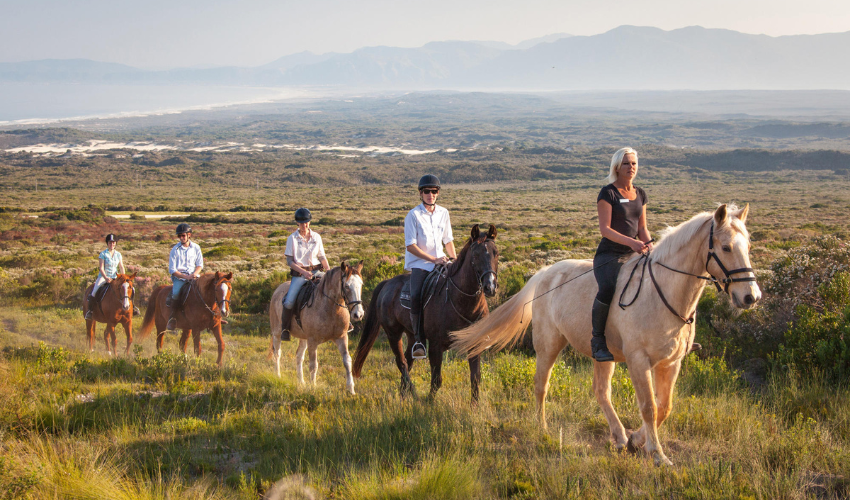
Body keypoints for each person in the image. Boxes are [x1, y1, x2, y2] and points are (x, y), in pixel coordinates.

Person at [591, 147, 652, 362]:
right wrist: (632, 243)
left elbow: (642, 228)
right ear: (617, 167)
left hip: (635, 252)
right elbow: (605, 230)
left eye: (634, 163)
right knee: (608, 288)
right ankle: (598, 340)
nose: (631, 167)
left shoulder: (640, 193)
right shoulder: (608, 193)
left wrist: (650, 247)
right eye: (626, 163)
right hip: (610, 255)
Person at [404, 174, 457, 359]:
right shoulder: (413, 215)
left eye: (434, 191)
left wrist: (454, 259)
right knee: (416, 296)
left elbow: (448, 240)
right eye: (427, 191)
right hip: (421, 264)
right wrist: (433, 260)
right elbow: (411, 246)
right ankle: (418, 340)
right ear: (420, 193)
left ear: (438, 193)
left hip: (442, 261)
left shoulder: (444, 213)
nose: (430, 194)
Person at [280, 208, 330, 341]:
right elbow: (290, 261)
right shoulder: (292, 238)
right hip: (300, 275)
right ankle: (285, 329)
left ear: (310, 222)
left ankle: (343, 323)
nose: (304, 225)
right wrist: (304, 272)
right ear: (297, 223)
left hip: (317, 271)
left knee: (335, 288)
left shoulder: (317, 237)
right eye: (302, 223)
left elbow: (322, 256)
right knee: (289, 302)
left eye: (306, 222)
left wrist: (328, 270)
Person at [166, 223, 203, 331]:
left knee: (207, 290)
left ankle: (213, 316)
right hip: (180, 278)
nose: (181, 238)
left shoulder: (196, 247)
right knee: (176, 293)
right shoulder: (175, 250)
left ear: (189, 235)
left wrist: (195, 274)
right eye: (179, 236)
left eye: (183, 235)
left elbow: (200, 264)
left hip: (194, 276)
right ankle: (172, 318)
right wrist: (186, 277)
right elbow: (172, 270)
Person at [85, 233, 125, 320]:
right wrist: (106, 278)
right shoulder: (103, 254)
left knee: (128, 289)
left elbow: (121, 266)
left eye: (113, 242)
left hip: (115, 277)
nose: (112, 244)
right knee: (94, 292)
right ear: (107, 243)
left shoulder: (118, 254)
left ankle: (132, 308)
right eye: (110, 242)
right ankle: (90, 311)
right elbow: (101, 268)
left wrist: (123, 277)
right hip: (103, 277)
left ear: (115, 243)